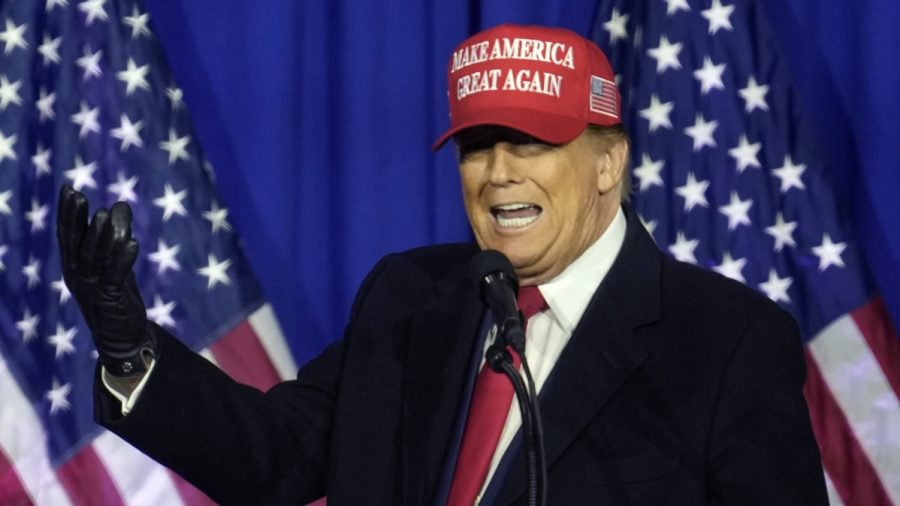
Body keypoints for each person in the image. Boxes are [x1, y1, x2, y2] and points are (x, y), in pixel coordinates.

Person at [56, 24, 828, 505]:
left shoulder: (724, 342)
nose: (498, 173)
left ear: (609, 163)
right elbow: (274, 461)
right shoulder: (411, 298)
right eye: (476, 146)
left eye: (530, 143)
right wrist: (130, 350)